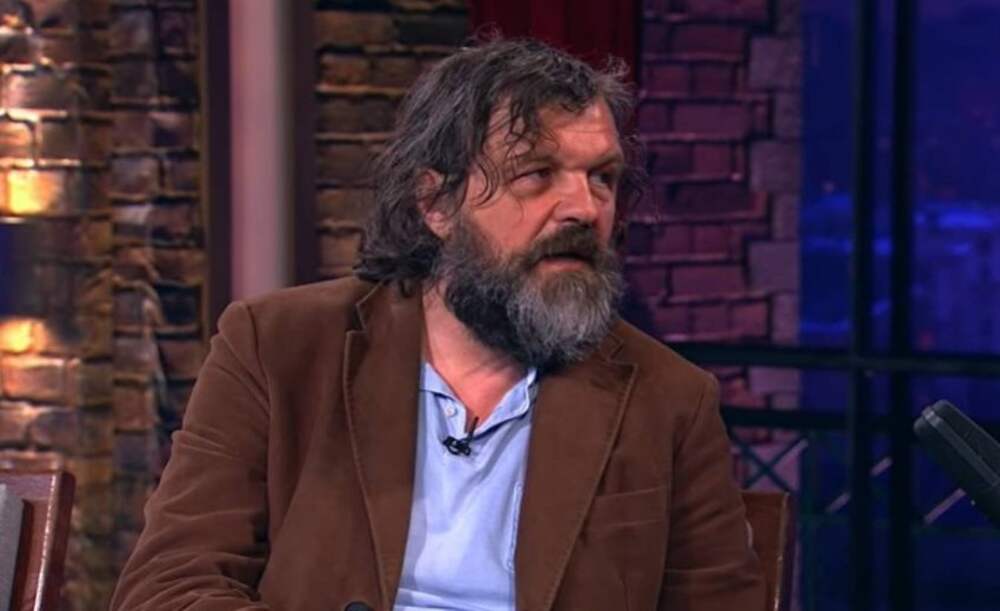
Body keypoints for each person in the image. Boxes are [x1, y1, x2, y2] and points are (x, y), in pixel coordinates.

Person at [111, 38, 765, 611]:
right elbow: (169, 587)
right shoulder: (278, 346)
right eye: (536, 174)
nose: (583, 207)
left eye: (602, 177)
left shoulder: (669, 398)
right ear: (436, 203)